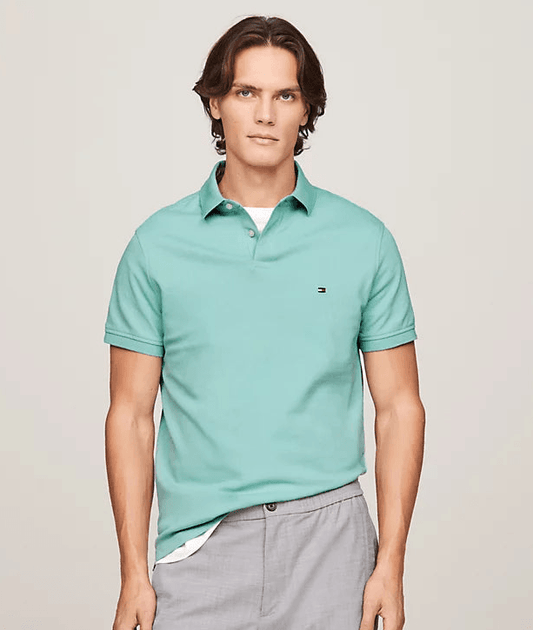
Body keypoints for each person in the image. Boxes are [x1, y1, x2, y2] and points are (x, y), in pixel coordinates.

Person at [104, 14, 425, 630]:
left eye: (285, 95)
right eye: (246, 92)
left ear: (306, 111)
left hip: (331, 544)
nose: (264, 114)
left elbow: (400, 407)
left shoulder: (364, 240)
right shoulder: (155, 246)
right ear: (216, 103)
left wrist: (391, 564)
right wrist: (132, 574)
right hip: (201, 545)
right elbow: (130, 416)